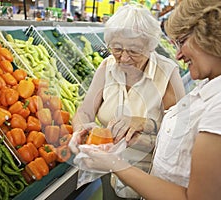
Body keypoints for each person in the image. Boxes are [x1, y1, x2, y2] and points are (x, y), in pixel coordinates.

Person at [74, 0, 221, 199]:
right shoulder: (213, 89)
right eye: (117, 48)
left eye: (182, 41)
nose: (178, 54)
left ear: (213, 37)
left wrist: (114, 163)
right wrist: (140, 133)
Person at [69, 3, 185, 200]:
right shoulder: (107, 67)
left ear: (150, 46)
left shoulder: (167, 73)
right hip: (109, 174)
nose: (124, 58)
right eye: (117, 48)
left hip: (151, 181)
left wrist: (142, 131)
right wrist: (80, 130)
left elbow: (180, 137)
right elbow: (85, 112)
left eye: (134, 51)